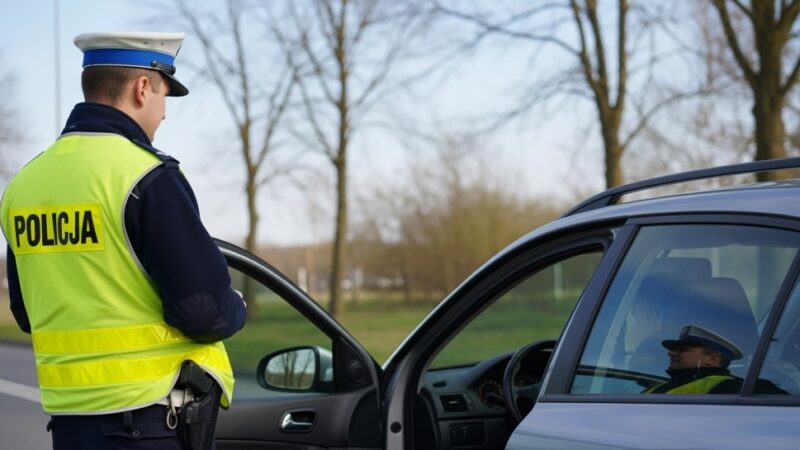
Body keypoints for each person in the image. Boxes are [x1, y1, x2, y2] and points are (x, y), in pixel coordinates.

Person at [0, 32, 246, 449]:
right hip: (149, 423)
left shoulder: (24, 186)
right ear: (142, 87)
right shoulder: (147, 177)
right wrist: (235, 305)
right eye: (165, 95)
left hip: (69, 426)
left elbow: (28, 313)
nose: (164, 114)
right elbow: (205, 313)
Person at [644, 325, 744, 394]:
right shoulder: (665, 384)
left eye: (683, 350)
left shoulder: (728, 388)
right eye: (674, 349)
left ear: (712, 360)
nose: (671, 353)